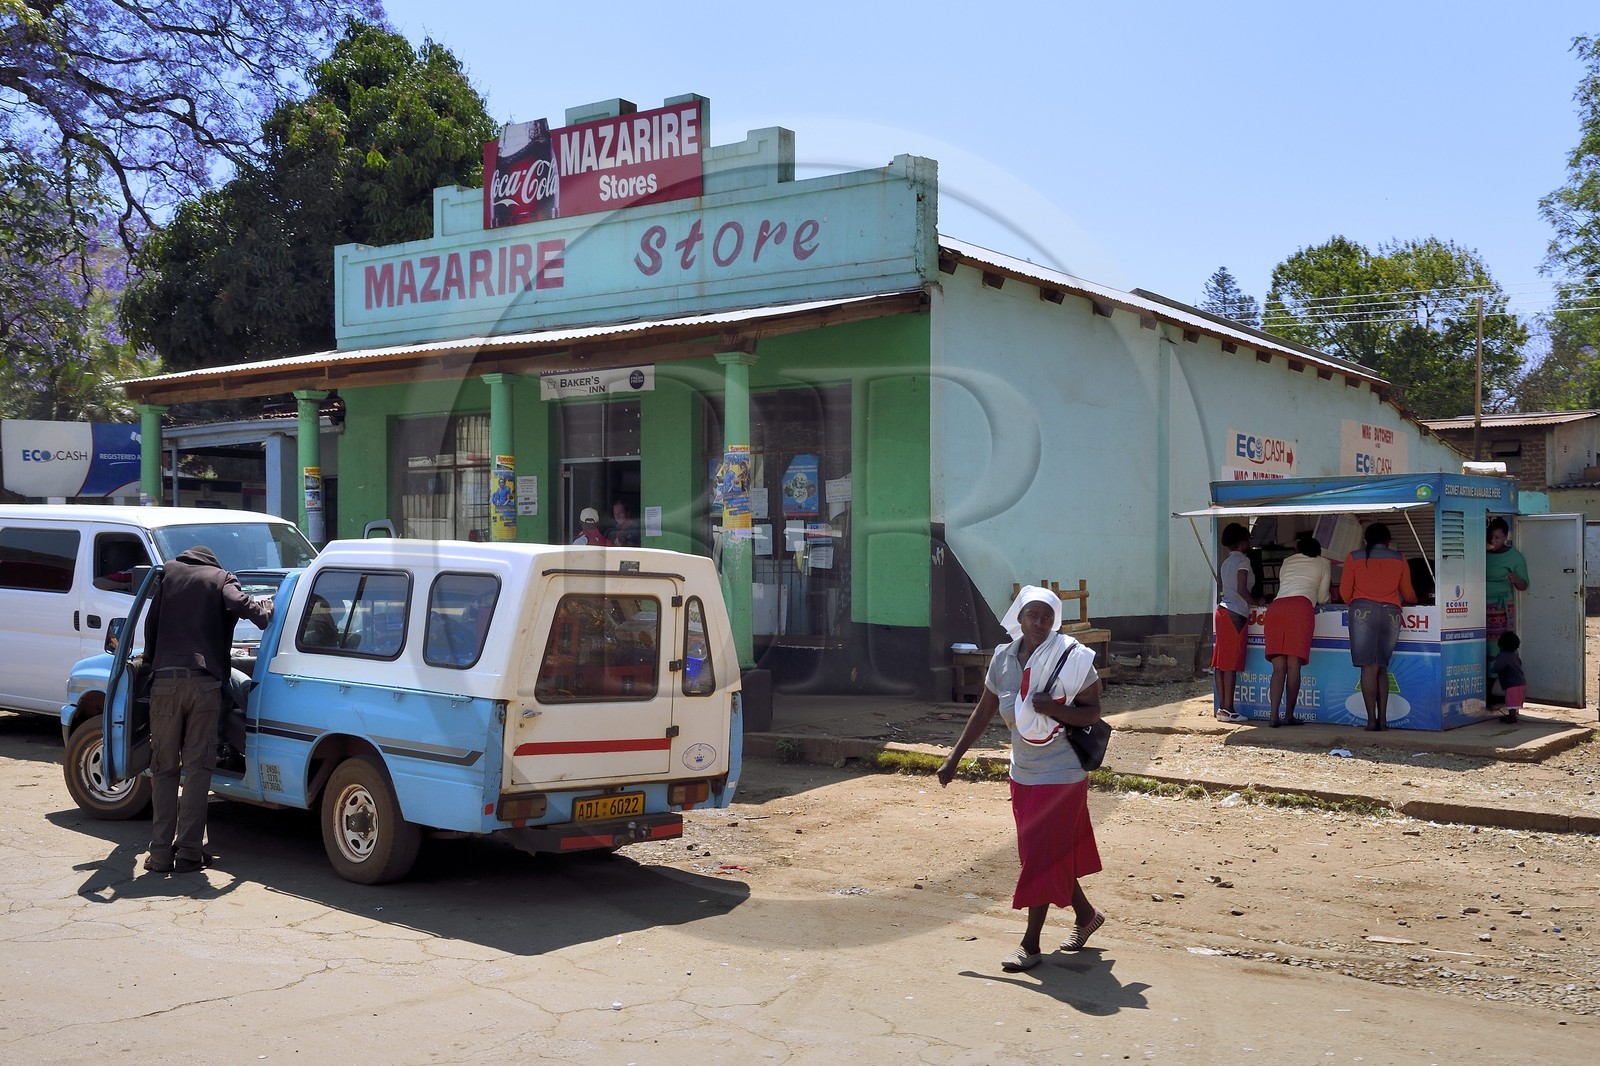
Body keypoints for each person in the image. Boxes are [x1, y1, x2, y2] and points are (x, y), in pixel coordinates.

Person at [937, 585, 1106, 974]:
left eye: (1047, 616)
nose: (1040, 623)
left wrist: (1056, 710)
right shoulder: (1003, 659)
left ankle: (1030, 945)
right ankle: (1086, 916)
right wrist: (954, 756)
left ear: (1055, 620)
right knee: (1041, 853)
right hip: (1023, 773)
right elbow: (983, 712)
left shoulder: (1073, 659)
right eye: (1033, 615)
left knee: (1040, 856)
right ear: (1019, 616)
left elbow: (1093, 713)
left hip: (1063, 774)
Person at [141, 545, 274, 874]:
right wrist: (265, 608)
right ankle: (188, 853)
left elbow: (151, 627)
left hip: (165, 684)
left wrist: (148, 665)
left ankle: (159, 855)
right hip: (204, 685)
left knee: (164, 767)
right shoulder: (221, 578)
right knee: (198, 769)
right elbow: (247, 610)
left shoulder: (168, 574)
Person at [1339, 523, 1416, 731]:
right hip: (1391, 613)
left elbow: (1345, 593)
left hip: (1362, 612)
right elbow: (1408, 594)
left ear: (1365, 540)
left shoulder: (1353, 557)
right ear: (1388, 540)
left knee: (1368, 667)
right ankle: (1383, 720)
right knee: (1381, 666)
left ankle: (1371, 721)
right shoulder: (1399, 559)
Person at [1263, 534, 1331, 727]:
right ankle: (1289, 715)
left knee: (1278, 668)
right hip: (1300, 609)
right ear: (1318, 550)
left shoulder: (1287, 561)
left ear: (1298, 549)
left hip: (1276, 609)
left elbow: (1284, 584)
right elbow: (1323, 596)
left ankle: (1273, 716)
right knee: (1293, 667)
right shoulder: (1323, 563)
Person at [1211, 522, 1257, 723]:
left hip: (1221, 611)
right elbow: (1241, 588)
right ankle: (1229, 709)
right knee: (1230, 664)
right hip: (1236, 613)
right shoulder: (1243, 561)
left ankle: (1222, 708)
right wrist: (1257, 602)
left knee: (1220, 663)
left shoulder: (1225, 562)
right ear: (1242, 542)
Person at [1484, 516, 1529, 700]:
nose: (1493, 541)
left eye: (1497, 537)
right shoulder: (1480, 553)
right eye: (1491, 537)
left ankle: (1489, 692)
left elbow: (1524, 584)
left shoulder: (1514, 556)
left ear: (1506, 536)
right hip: (1477, 605)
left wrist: (1515, 579)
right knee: (1480, 646)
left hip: (1500, 609)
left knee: (1497, 648)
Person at [1490, 631, 1527, 724]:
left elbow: (1497, 667)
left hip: (1512, 684)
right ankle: (1512, 715)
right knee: (1514, 701)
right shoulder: (1515, 656)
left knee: (1511, 701)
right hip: (1521, 682)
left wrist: (1492, 669)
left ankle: (1512, 717)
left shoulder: (1503, 656)